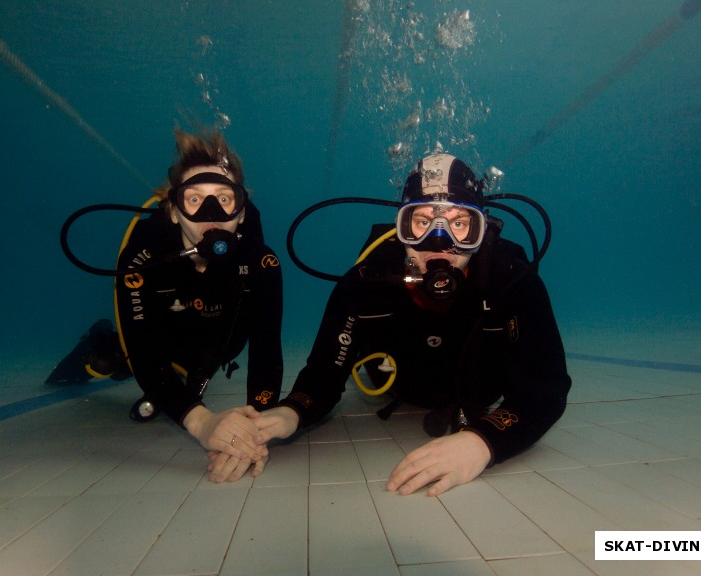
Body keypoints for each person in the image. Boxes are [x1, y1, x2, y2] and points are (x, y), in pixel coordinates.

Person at [232, 153, 570, 495]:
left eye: (460, 223)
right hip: (398, 385)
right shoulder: (366, 284)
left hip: (482, 394)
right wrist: (291, 412)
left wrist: (482, 442)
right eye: (421, 221)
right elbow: (321, 379)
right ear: (401, 229)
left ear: (480, 232)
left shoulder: (514, 282)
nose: (440, 241)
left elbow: (547, 390)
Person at [49, 128, 283, 479]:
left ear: (242, 212)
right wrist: (202, 422)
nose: (210, 214)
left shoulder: (261, 261)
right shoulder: (145, 257)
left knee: (186, 381)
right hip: (161, 338)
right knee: (112, 362)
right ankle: (96, 343)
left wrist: (255, 430)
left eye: (224, 198)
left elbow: (266, 351)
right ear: (174, 212)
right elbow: (145, 353)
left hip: (216, 345)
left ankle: (180, 386)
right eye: (194, 199)